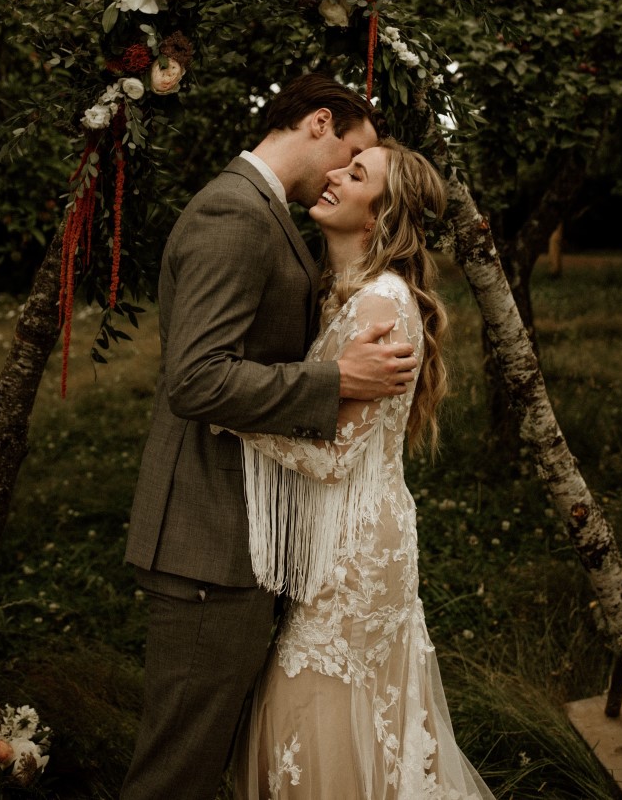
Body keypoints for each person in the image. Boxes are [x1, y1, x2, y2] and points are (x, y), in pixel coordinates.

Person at [121, 75, 420, 800]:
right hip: (207, 542)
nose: (344, 176)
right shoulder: (235, 212)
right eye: (350, 155)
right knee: (176, 771)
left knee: (201, 760)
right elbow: (195, 381)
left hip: (245, 539)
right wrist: (333, 380)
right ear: (319, 122)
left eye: (362, 173)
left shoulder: (266, 214)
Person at [226, 139, 496, 799]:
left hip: (355, 548)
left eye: (355, 175)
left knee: (313, 701)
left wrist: (230, 411)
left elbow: (331, 454)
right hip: (344, 531)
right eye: (342, 166)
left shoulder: (380, 301)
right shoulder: (344, 293)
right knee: (335, 709)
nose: (332, 177)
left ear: (376, 216)